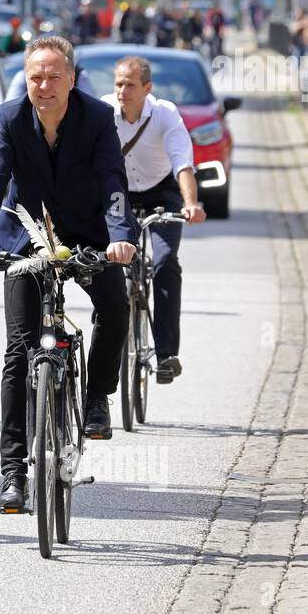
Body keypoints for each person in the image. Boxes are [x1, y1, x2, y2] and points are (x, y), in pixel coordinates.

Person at [0, 35, 136, 512]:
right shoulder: (10, 117)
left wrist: (120, 236)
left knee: (115, 307)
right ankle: (13, 473)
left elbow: (112, 181)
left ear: (72, 79)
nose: (44, 85)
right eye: (35, 76)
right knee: (18, 353)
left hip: (90, 235)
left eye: (54, 76)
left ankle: (98, 396)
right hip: (26, 236)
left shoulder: (98, 118)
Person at [102, 56, 205, 384]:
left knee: (164, 263)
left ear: (147, 88)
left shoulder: (164, 114)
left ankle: (165, 354)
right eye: (118, 83)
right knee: (109, 260)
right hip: (120, 193)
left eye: (130, 85)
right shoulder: (103, 113)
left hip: (161, 192)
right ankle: (106, 323)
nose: (122, 91)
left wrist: (190, 204)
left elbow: (182, 163)